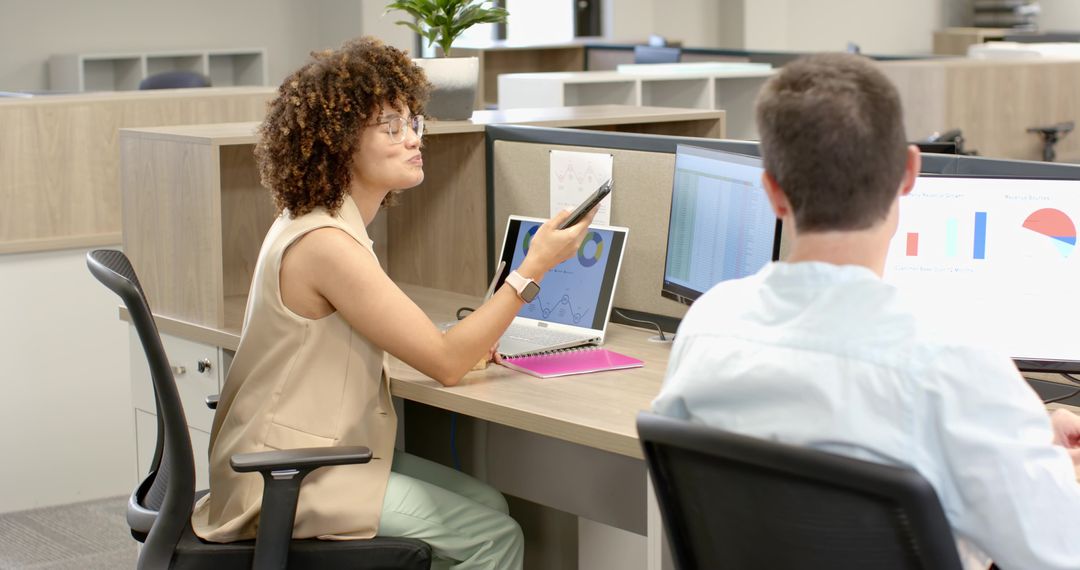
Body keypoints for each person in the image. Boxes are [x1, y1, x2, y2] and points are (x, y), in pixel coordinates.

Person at [652, 52, 1080, 570]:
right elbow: (1061, 552)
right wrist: (1042, 466)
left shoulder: (708, 326)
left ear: (773, 193)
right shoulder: (953, 366)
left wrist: (1026, 449)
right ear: (909, 172)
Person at [191, 37, 598, 569]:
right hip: (287, 476)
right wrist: (534, 267)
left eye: (413, 123)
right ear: (340, 142)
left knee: (490, 503)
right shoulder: (327, 244)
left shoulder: (324, 221)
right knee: (493, 537)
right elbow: (445, 364)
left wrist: (466, 340)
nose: (413, 139)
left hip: (310, 453)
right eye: (391, 127)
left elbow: (412, 342)